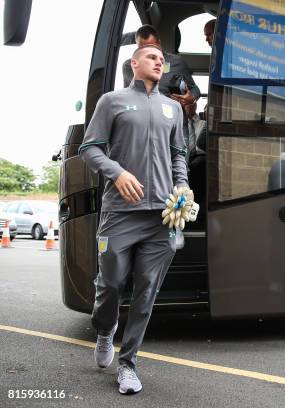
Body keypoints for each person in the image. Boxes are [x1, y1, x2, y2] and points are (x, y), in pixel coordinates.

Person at [79, 44, 189, 395]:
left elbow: (179, 154)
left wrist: (183, 185)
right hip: (119, 213)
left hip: (162, 216)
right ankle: (105, 329)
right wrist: (117, 172)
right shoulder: (111, 101)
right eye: (153, 57)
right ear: (134, 63)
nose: (160, 62)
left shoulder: (173, 108)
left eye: (163, 60)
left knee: (146, 293)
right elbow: (90, 147)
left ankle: (128, 364)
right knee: (110, 283)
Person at [122, 25, 200, 119]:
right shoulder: (128, 66)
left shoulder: (177, 62)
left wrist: (192, 98)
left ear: (159, 43)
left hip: (174, 123)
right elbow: (127, 97)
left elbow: (194, 88)